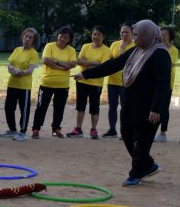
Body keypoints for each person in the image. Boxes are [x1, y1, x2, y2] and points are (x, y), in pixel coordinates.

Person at [75, 20, 172, 187]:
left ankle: (135, 174)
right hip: (130, 103)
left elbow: (162, 83)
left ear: (148, 35)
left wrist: (156, 109)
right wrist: (87, 74)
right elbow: (113, 65)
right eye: (133, 35)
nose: (134, 38)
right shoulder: (136, 51)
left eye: (137, 35)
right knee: (126, 135)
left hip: (149, 107)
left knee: (142, 141)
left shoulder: (160, 54)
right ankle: (147, 164)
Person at [32, 26, 76, 139]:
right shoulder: (49, 46)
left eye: (66, 37)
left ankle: (56, 129)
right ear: (57, 36)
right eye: (61, 36)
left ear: (69, 39)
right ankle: (36, 129)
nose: (62, 39)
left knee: (59, 108)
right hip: (47, 83)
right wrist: (62, 66)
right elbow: (46, 60)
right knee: (41, 107)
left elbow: (72, 64)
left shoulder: (71, 50)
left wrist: (56, 61)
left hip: (63, 85)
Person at [70, 25, 110, 140]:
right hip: (82, 80)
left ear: (104, 37)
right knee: (80, 106)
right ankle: (78, 128)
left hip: (96, 83)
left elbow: (103, 66)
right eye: (94, 34)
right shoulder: (86, 46)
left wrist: (87, 63)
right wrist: (95, 63)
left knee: (94, 107)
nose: (96, 36)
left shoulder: (106, 50)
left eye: (98, 34)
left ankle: (93, 129)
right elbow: (79, 61)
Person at [3, 28, 40, 141]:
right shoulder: (17, 50)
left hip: (24, 86)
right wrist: (12, 69)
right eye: (25, 36)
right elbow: (9, 64)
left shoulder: (33, 53)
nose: (27, 39)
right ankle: (12, 129)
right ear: (22, 37)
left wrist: (21, 72)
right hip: (12, 84)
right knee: (8, 108)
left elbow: (30, 70)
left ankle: (23, 132)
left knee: (23, 109)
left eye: (30, 37)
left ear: (33, 40)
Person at [105, 22, 134, 137]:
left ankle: (125, 131)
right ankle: (112, 129)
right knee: (112, 106)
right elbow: (110, 61)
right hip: (112, 81)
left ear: (132, 34)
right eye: (122, 32)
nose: (124, 34)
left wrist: (122, 51)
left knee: (125, 108)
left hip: (126, 82)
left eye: (127, 32)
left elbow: (129, 62)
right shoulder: (114, 44)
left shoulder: (135, 46)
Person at [154, 26, 179, 142]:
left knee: (164, 108)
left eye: (164, 35)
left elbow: (170, 64)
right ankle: (151, 131)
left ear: (170, 37)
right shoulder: (155, 47)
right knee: (153, 107)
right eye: (160, 34)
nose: (162, 36)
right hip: (154, 82)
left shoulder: (173, 50)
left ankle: (163, 133)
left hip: (167, 83)